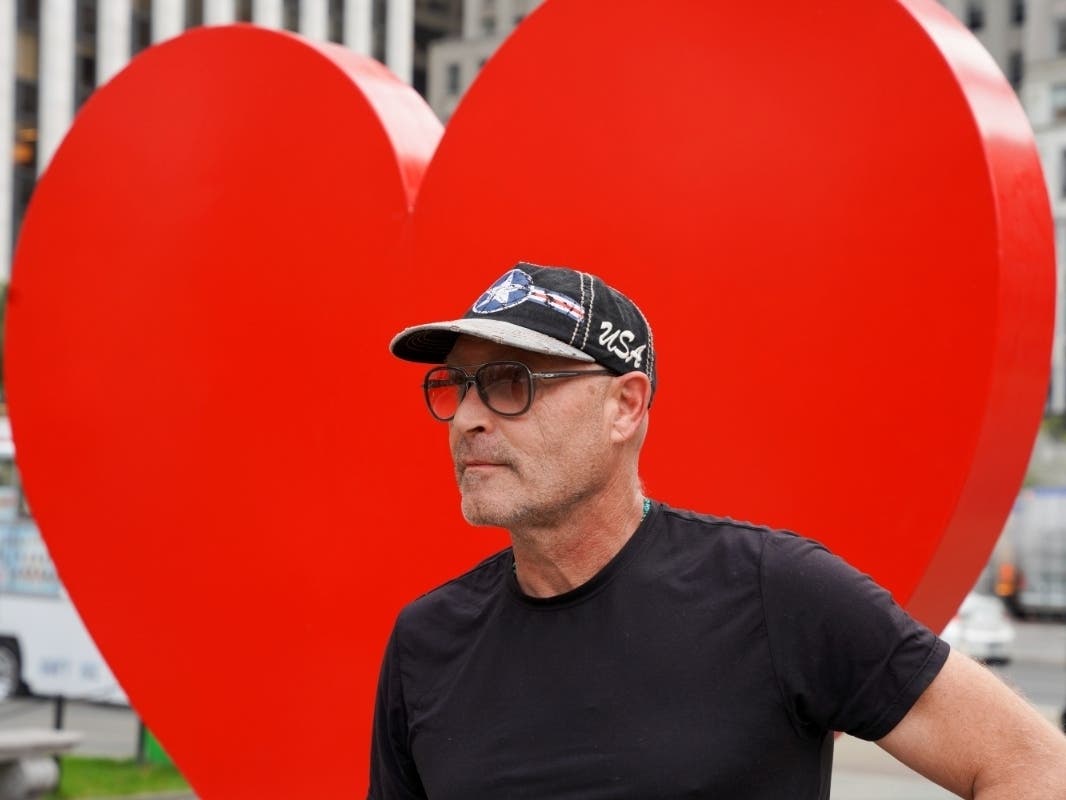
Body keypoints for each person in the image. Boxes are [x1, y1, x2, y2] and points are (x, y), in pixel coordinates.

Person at [370, 262, 1066, 799]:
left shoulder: (776, 593)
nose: (467, 418)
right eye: (455, 386)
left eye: (508, 382)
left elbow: (1031, 763)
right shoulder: (427, 641)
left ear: (624, 406)